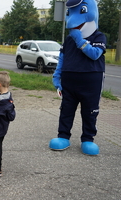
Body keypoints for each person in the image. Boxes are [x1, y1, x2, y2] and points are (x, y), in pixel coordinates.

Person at [49, 0, 106, 155]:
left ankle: (88, 139)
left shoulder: (99, 36)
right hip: (69, 81)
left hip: (91, 82)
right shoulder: (68, 40)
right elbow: (62, 58)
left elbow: (95, 54)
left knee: (90, 111)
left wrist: (80, 40)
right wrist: (57, 75)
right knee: (66, 110)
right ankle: (63, 136)